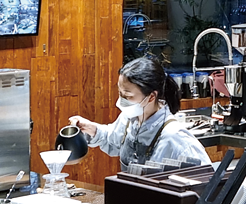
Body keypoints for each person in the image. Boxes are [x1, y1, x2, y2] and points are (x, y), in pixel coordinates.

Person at [70, 55, 212, 173]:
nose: (121, 100)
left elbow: (206, 181)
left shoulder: (175, 137)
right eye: (120, 93)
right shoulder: (129, 119)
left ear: (151, 97)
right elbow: (112, 140)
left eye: (128, 96)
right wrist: (92, 129)